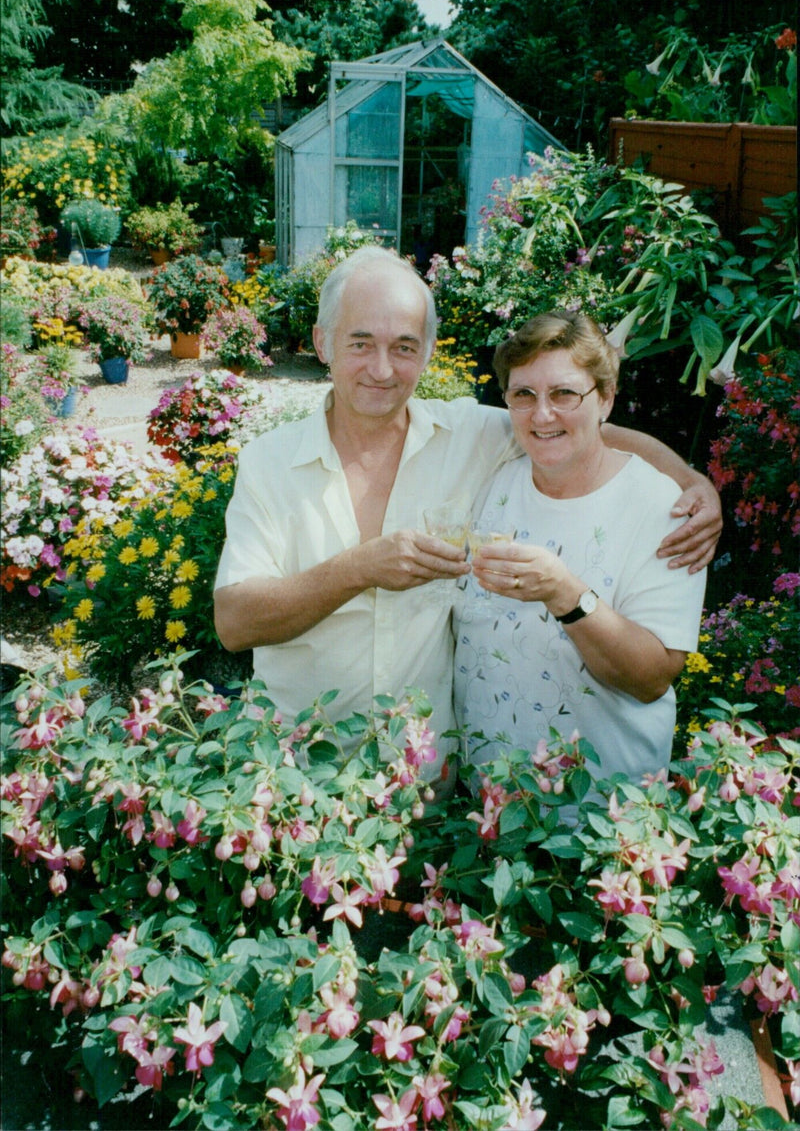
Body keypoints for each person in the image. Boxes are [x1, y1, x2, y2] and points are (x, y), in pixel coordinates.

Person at [214, 247, 719, 791]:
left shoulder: (468, 437)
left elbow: (571, 426)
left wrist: (693, 483)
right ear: (321, 343)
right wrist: (357, 569)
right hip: (301, 776)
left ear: (427, 353)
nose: (382, 369)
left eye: (403, 347)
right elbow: (235, 623)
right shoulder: (270, 462)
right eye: (361, 343)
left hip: (429, 787)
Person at [453, 309, 706, 798]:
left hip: (596, 817)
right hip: (486, 803)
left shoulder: (661, 509)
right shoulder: (495, 478)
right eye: (523, 394)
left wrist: (566, 594)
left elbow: (652, 678)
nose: (542, 414)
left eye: (565, 393)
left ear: (606, 399)